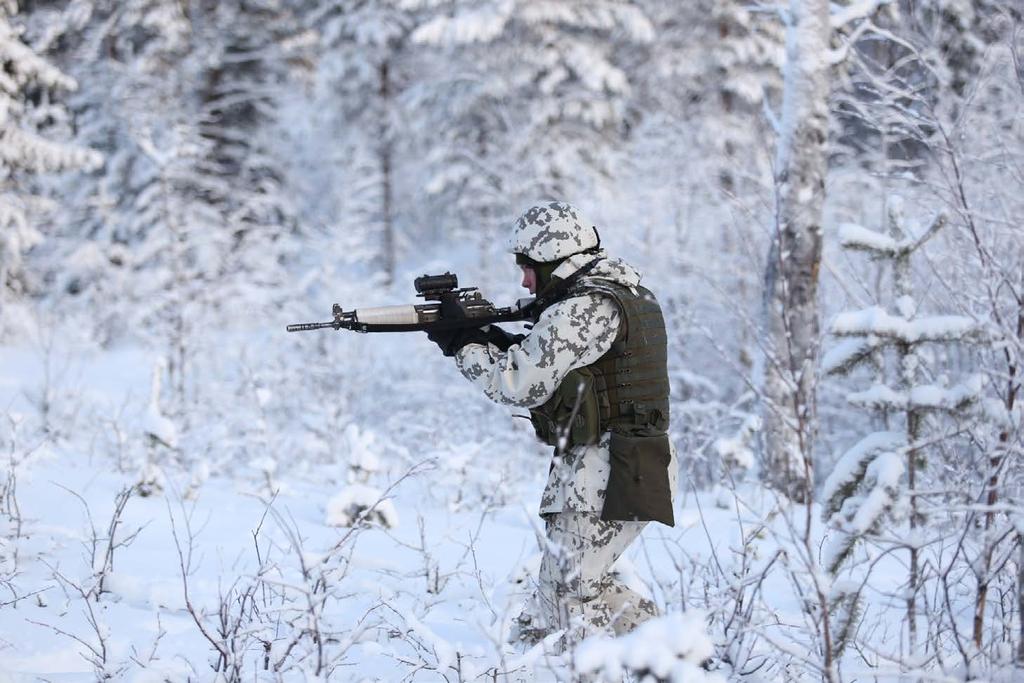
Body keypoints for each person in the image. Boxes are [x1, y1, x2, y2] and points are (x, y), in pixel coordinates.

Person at [426, 200, 677, 645]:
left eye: (530, 267)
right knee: (564, 596)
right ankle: (662, 653)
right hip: (620, 463)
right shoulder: (615, 293)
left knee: (568, 598)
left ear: (558, 260)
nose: (524, 279)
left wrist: (464, 345)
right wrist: (490, 336)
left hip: (611, 469)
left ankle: (671, 655)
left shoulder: (584, 308)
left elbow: (517, 383)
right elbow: (553, 361)